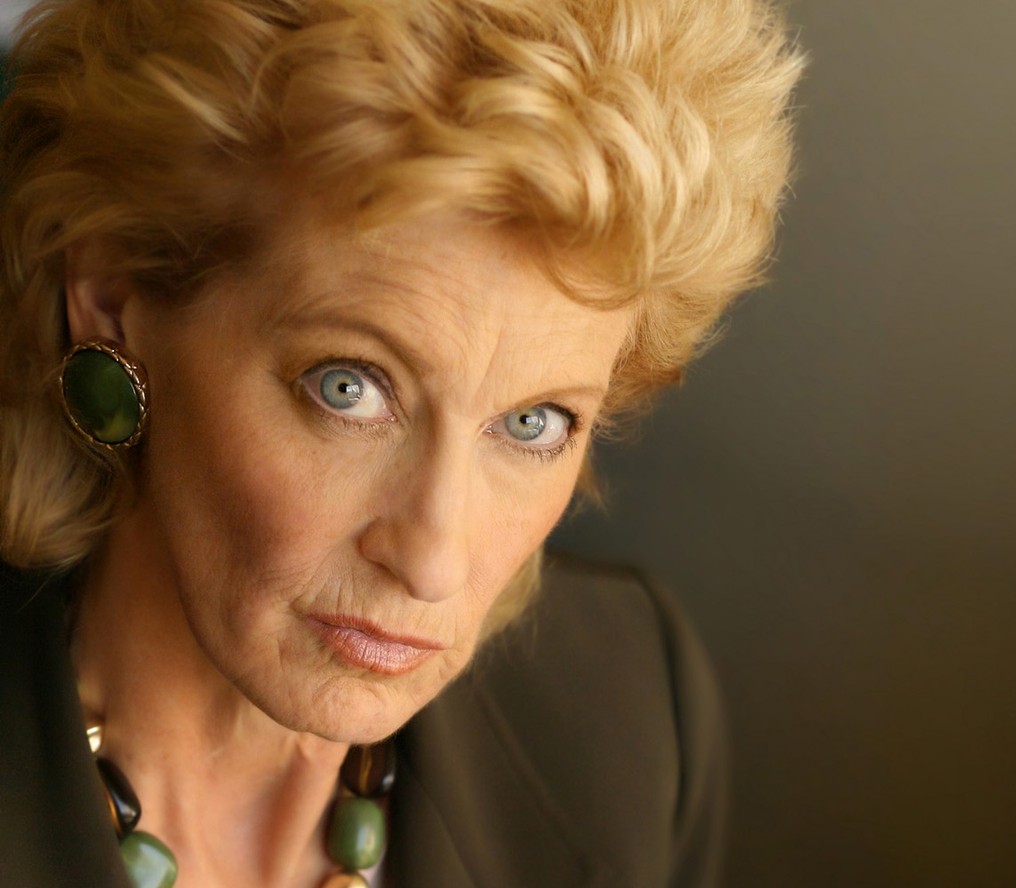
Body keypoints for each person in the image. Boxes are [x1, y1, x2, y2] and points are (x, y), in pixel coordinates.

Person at [0, 0, 801, 885]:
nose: (433, 562)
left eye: (532, 423)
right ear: (111, 296)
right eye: (349, 388)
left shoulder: (634, 718)